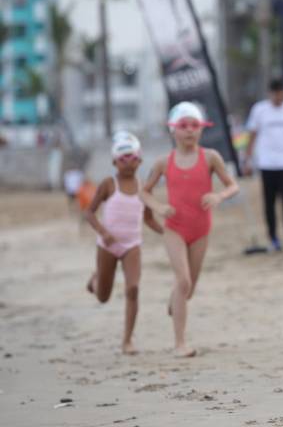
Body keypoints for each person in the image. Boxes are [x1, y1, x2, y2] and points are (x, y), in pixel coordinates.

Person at [141, 102, 240, 357]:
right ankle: (180, 344)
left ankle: (175, 300)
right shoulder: (164, 162)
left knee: (189, 288)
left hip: (201, 230)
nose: (189, 131)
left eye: (194, 126)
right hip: (174, 229)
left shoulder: (210, 157)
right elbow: (144, 191)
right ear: (173, 130)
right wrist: (158, 207)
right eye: (183, 126)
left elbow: (233, 185)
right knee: (183, 280)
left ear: (202, 129)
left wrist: (218, 196)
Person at [83, 131, 163, 355]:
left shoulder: (144, 187)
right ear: (114, 162)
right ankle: (96, 280)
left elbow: (148, 218)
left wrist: (166, 232)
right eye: (123, 158)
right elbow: (89, 212)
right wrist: (103, 232)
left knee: (133, 288)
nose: (128, 163)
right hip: (107, 246)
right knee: (103, 297)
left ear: (140, 160)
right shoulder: (108, 184)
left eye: (133, 158)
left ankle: (127, 340)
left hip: (132, 246)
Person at [244, 78, 283, 251]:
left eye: (281, 93)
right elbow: (252, 135)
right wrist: (247, 159)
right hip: (267, 163)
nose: (278, 97)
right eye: (275, 93)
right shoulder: (259, 110)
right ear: (270, 93)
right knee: (269, 203)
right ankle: (273, 238)